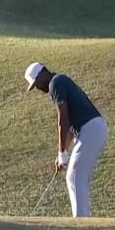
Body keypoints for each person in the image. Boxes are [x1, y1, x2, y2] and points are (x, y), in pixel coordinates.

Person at [24, 62, 108, 218]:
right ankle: (82, 219)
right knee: (76, 176)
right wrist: (62, 153)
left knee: (74, 176)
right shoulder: (59, 81)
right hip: (91, 130)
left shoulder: (56, 83)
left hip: (91, 129)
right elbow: (69, 126)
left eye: (37, 83)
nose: (38, 88)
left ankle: (81, 222)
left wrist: (62, 151)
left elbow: (63, 119)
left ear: (43, 73)